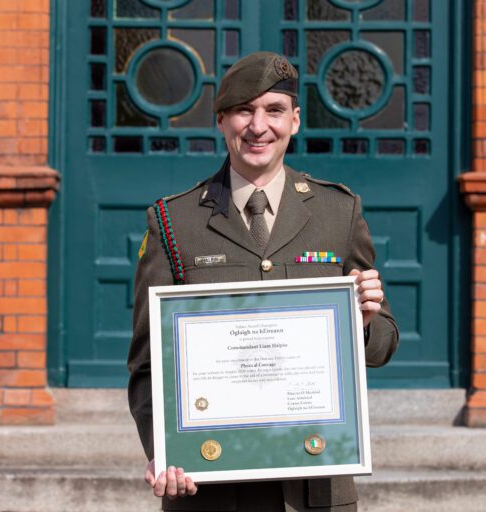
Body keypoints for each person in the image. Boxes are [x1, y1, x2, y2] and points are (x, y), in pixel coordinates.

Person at [127, 51, 399, 511]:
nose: (258, 127)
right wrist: (165, 450)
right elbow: (147, 364)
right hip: (211, 490)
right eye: (243, 111)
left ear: (294, 120)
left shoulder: (338, 212)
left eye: (273, 110)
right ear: (221, 121)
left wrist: (366, 322)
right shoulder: (173, 222)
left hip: (314, 489)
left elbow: (382, 347)